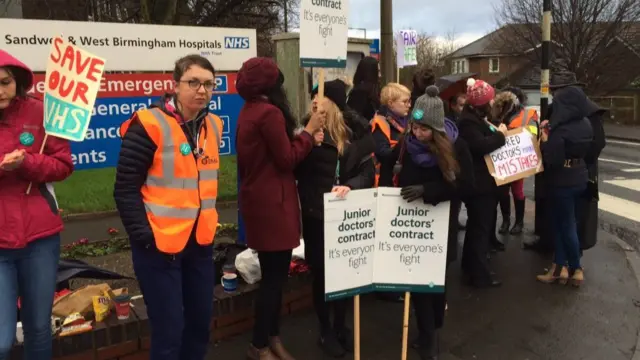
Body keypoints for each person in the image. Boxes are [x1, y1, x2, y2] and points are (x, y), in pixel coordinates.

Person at [114, 54, 223, 360]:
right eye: (193, 82)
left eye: (208, 84)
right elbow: (124, 189)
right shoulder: (149, 123)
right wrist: (144, 236)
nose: (201, 90)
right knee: (169, 333)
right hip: (158, 248)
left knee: (199, 326)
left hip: (199, 245)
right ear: (175, 85)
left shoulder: (213, 126)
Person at [235, 57, 326, 360]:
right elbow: (286, 159)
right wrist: (309, 134)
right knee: (274, 282)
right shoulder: (269, 113)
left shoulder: (249, 111)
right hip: (275, 206)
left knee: (273, 279)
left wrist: (304, 137)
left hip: (261, 205)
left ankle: (272, 338)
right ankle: (260, 345)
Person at [379, 85, 474, 360]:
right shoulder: (407, 146)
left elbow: (467, 186)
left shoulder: (457, 146)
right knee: (419, 284)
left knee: (435, 283)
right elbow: (393, 177)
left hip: (440, 224)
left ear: (437, 129)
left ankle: (433, 331)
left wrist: (428, 191)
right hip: (413, 226)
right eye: (414, 127)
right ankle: (427, 334)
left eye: (424, 129)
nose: (417, 134)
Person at [0, 50, 74, 360]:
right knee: (2, 340)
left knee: (39, 327)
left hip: (40, 239)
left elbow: (63, 164)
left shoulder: (41, 112)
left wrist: (27, 163)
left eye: (4, 82)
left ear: (16, 81)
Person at [296, 79, 376, 358]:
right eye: (312, 97)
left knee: (343, 272)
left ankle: (341, 324)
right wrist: (307, 140)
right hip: (317, 215)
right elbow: (292, 167)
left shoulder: (354, 134)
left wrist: (350, 186)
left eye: (320, 97)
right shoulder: (306, 131)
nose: (314, 102)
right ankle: (325, 329)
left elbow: (368, 172)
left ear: (333, 102)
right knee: (322, 273)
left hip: (345, 213)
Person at [536, 78, 593, 287]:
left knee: (565, 224)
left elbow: (553, 160)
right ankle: (558, 268)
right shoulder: (585, 123)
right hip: (580, 176)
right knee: (565, 224)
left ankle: (576, 268)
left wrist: (544, 140)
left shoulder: (560, 129)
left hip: (562, 181)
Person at [457, 78, 507, 287]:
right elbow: (480, 146)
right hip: (479, 184)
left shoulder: (474, 118)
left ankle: (470, 267)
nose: (493, 101)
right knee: (481, 229)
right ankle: (480, 276)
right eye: (490, 99)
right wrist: (501, 137)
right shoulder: (469, 122)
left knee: (476, 228)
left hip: (480, 183)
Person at [491, 87, 539, 235]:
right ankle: (506, 221)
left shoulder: (528, 115)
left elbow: (534, 136)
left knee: (517, 191)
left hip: (518, 159)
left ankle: (518, 222)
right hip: (502, 159)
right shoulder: (497, 115)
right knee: (502, 192)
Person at [371, 83, 411, 186]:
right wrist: (405, 145)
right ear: (391, 103)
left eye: (409, 101)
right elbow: (383, 154)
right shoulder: (379, 122)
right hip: (386, 182)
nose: (409, 105)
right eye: (405, 102)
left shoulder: (409, 121)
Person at [347, 56, 381, 120]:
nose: (380, 75)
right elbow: (355, 119)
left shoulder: (374, 91)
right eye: (377, 72)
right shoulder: (359, 93)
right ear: (370, 73)